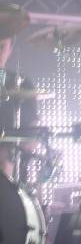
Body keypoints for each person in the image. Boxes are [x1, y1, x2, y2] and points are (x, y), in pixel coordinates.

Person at [0, 36, 38, 179]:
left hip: (10, 161)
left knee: (6, 164)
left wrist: (30, 141)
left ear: (10, 50)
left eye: (1, 46)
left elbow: (32, 130)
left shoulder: (23, 84)